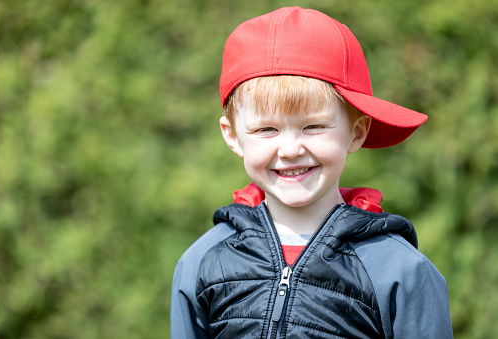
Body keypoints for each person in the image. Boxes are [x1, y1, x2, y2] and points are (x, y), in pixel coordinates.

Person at [170, 6, 453, 338]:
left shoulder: (399, 270)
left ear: (357, 132)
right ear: (233, 136)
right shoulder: (202, 263)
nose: (290, 150)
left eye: (314, 126)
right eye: (266, 130)